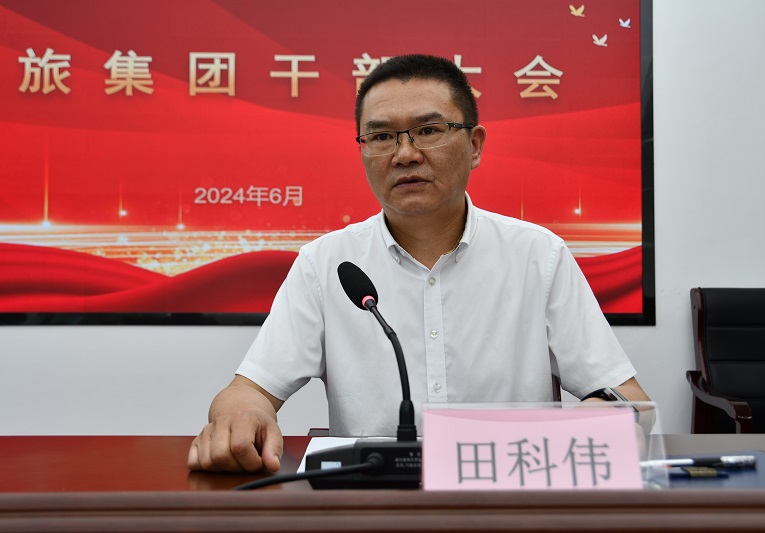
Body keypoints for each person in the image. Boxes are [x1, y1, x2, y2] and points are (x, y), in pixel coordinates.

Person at [188, 54, 649, 473]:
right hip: (376, 507)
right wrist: (242, 415)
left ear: (474, 145)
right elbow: (249, 390)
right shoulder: (326, 264)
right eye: (381, 136)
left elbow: (627, 398)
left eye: (428, 130)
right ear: (363, 150)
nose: (405, 154)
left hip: (509, 501)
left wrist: (601, 416)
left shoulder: (537, 256)